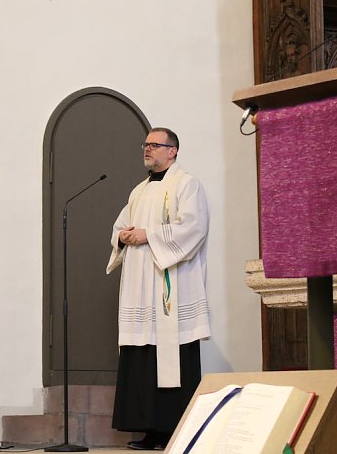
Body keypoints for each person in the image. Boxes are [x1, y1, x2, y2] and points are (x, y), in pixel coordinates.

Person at [106, 127, 211, 450]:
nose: (147, 150)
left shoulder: (187, 184)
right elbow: (121, 226)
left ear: (173, 150)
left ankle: (174, 431)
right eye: (146, 145)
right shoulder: (138, 191)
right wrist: (121, 237)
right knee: (142, 357)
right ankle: (149, 429)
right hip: (141, 288)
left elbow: (192, 228)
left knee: (172, 356)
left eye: (155, 145)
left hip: (170, 290)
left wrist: (148, 234)